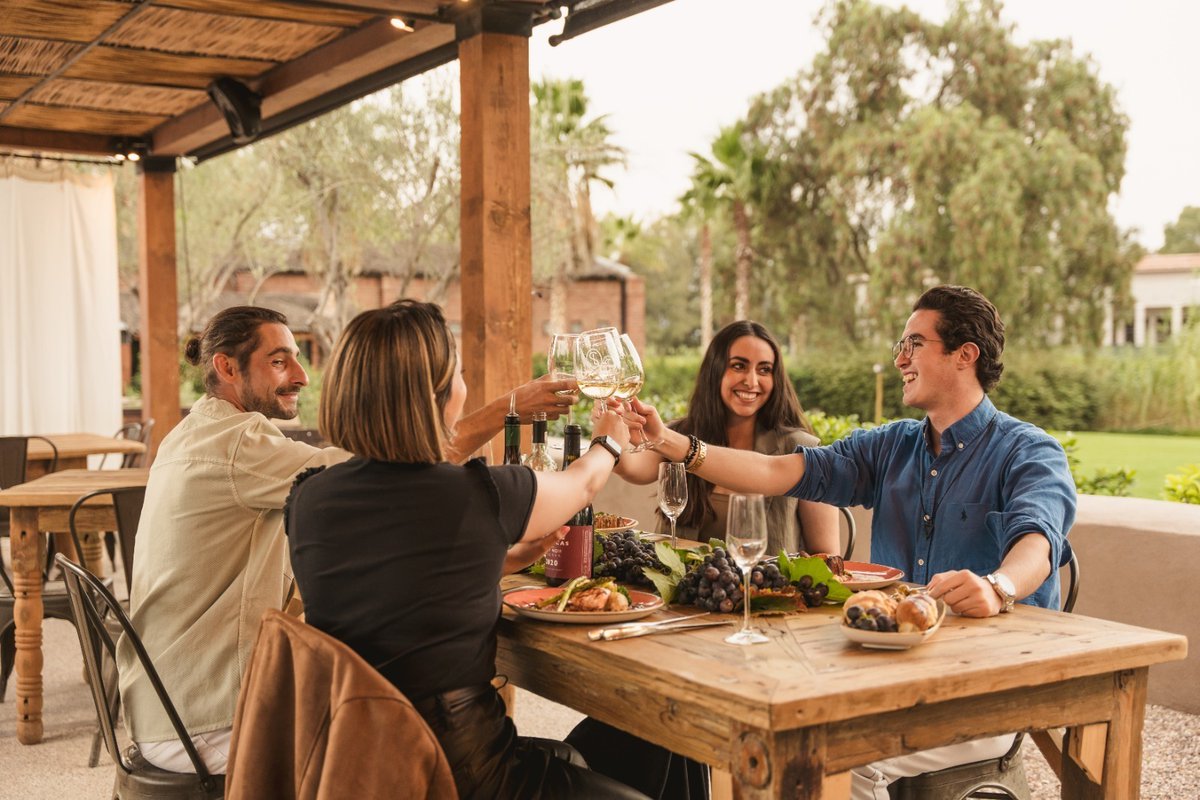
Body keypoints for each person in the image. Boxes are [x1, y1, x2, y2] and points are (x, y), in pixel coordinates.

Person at [624, 285, 1077, 799]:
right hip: (889, 677)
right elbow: (777, 471)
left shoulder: (1030, 451)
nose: (900, 358)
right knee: (758, 738)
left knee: (836, 760)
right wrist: (675, 444)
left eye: (915, 344)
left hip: (988, 690)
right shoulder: (890, 447)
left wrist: (997, 587)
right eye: (900, 346)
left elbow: (1038, 544)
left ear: (964, 355)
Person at [117, 305, 576, 775]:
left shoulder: (193, 434)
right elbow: (387, 469)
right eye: (279, 361)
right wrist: (510, 408)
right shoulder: (237, 445)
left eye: (297, 358)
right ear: (227, 367)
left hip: (162, 702)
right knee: (403, 736)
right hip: (206, 718)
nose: (301, 376)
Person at [284, 300, 645, 799]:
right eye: (458, 374)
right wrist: (608, 440)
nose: (464, 385)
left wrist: (504, 560)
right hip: (461, 773)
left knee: (573, 759)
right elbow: (581, 487)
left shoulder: (308, 497)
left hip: (359, 764)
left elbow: (390, 578)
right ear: (436, 396)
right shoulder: (477, 493)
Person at [617, 320, 840, 556]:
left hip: (764, 591)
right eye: (739, 366)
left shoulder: (802, 449)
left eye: (764, 370)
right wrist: (611, 434)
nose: (751, 381)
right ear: (715, 370)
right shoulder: (677, 436)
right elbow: (631, 468)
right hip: (684, 588)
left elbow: (828, 558)